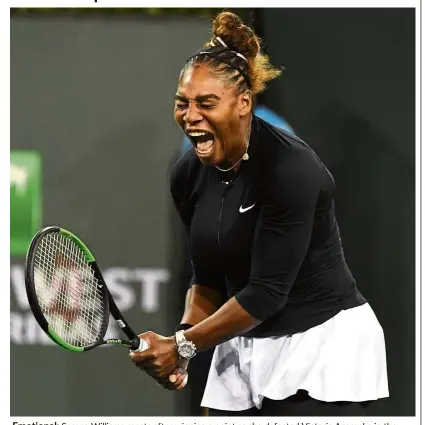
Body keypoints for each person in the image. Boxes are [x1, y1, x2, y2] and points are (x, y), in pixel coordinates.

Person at [130, 11, 389, 416]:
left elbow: (267, 293)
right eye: (182, 103)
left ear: (244, 103)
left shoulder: (291, 170)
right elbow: (210, 277)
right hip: (245, 343)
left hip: (318, 346)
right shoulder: (187, 174)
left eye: (206, 103)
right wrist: (184, 340)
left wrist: (183, 346)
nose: (190, 115)